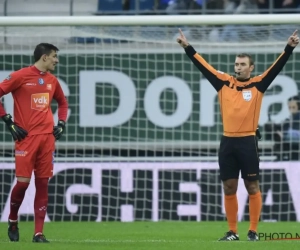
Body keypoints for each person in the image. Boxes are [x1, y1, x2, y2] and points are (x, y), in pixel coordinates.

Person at [177, 29, 299, 241]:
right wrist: (188, 48)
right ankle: (232, 231)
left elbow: (275, 68)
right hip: (227, 141)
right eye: (236, 64)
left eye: (242, 64)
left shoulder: (258, 83)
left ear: (251, 68)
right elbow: (203, 66)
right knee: (228, 186)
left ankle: (253, 231)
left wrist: (289, 48)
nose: (238, 67)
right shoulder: (223, 82)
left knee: (252, 186)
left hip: (248, 141)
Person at [0, 43, 68, 243]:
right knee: (22, 184)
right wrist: (8, 121)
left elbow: (63, 103)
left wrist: (61, 123)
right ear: (45, 57)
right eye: (54, 56)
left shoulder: (52, 81)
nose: (57, 60)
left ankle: (38, 233)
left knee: (43, 184)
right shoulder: (20, 76)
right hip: (26, 139)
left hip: (47, 138)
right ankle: (13, 220)